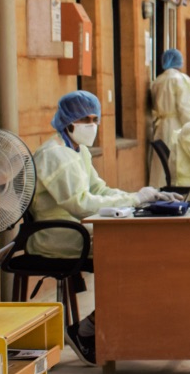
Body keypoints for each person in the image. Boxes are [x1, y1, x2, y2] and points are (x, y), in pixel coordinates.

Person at [31, 90, 174, 360]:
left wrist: (141, 197)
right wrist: (134, 199)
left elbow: (99, 188)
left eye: (95, 118)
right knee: (129, 256)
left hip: (77, 228)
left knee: (144, 249)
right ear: (68, 120)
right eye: (85, 119)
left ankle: (112, 327)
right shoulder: (54, 155)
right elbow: (81, 203)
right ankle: (88, 330)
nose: (92, 125)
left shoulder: (78, 150)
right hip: (57, 234)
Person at [150, 48, 190, 185]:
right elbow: (184, 107)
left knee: (160, 164)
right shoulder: (181, 80)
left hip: (161, 125)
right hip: (177, 124)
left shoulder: (158, 80)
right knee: (175, 162)